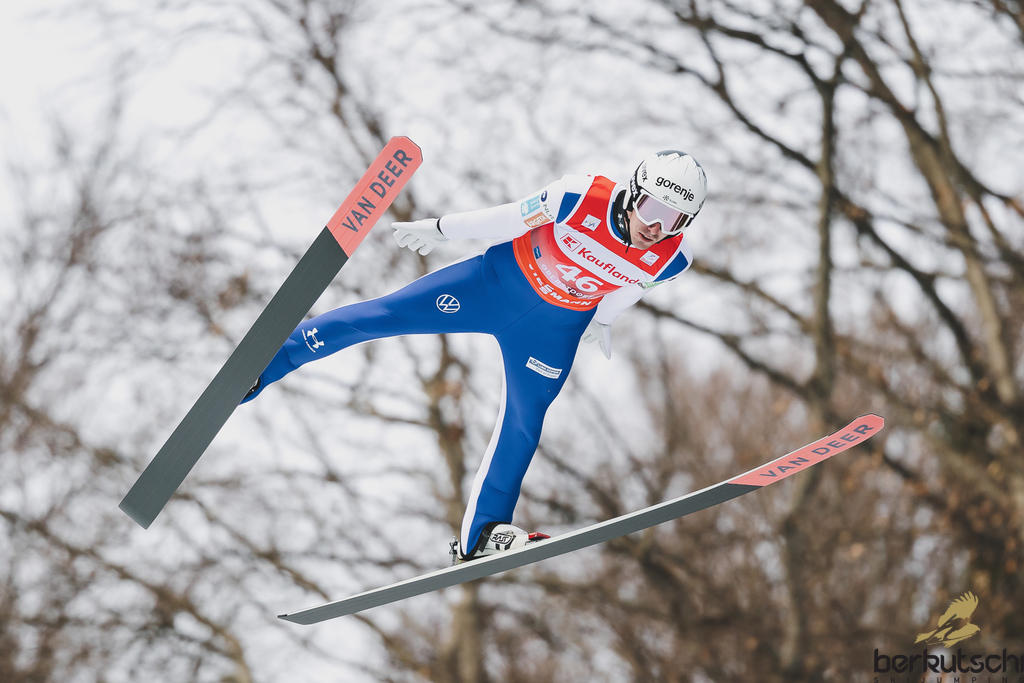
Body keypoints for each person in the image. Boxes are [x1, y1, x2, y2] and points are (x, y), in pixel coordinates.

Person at [241, 150, 708, 563]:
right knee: (383, 315)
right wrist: (443, 229)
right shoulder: (578, 197)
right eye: (653, 209)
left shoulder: (673, 257)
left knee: (524, 423)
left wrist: (603, 320)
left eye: (675, 220)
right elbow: (506, 220)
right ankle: (267, 364)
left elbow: (630, 287)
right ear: (633, 193)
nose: (657, 227)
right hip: (492, 287)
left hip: (552, 331)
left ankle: (482, 534)